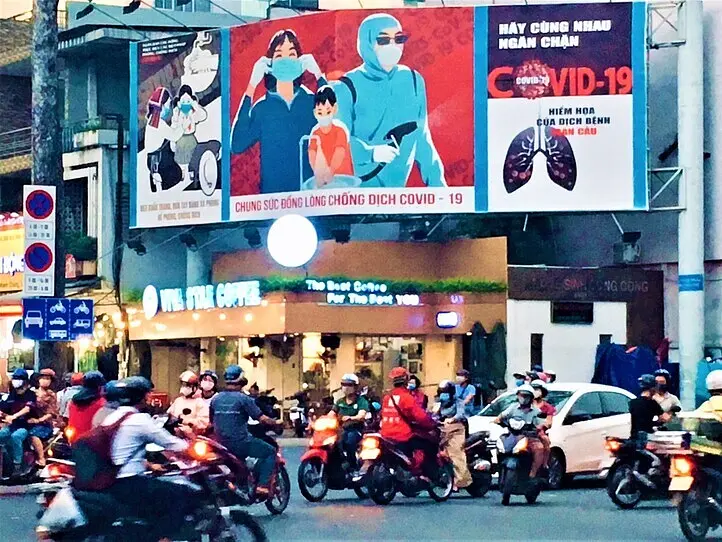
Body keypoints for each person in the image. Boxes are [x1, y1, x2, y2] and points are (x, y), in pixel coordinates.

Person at [334, 13, 446, 188]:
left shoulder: (413, 80)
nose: (392, 47)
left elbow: (422, 139)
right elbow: (336, 142)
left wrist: (439, 187)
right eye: (383, 40)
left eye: (398, 39)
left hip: (397, 196)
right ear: (367, 43)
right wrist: (371, 153)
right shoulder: (345, 87)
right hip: (357, 194)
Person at [231, 29, 326, 194]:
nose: (286, 60)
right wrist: (252, 85)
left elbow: (338, 122)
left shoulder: (312, 101)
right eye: (279, 55)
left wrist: (319, 75)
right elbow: (237, 144)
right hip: (273, 199)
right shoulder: (262, 108)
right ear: (270, 63)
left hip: (309, 196)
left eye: (292, 54)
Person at [100, 377, 194, 537]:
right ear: (141, 397)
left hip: (113, 479)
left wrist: (148, 464)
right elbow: (172, 443)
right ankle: (164, 538)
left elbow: (122, 450)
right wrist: (192, 446)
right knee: (180, 494)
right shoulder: (139, 420)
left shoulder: (113, 417)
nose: (150, 397)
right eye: (148, 394)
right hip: (129, 481)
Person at [210, 365, 281, 498]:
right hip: (240, 443)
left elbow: (211, 422)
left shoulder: (216, 399)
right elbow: (262, 419)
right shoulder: (244, 399)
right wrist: (276, 423)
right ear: (241, 380)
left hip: (219, 444)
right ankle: (262, 486)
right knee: (270, 451)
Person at [380, 367, 437, 481]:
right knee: (430, 445)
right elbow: (421, 417)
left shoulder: (387, 397)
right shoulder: (407, 398)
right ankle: (425, 475)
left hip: (385, 434)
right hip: (402, 435)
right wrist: (431, 425)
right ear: (406, 379)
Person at [493, 384, 546, 481]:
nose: (523, 398)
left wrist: (537, 427)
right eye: (521, 395)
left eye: (526, 396)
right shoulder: (513, 407)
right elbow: (502, 416)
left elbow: (540, 424)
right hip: (513, 435)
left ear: (531, 398)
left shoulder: (535, 411)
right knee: (499, 445)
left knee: (539, 448)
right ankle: (500, 468)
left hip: (529, 437)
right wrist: (497, 420)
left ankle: (533, 472)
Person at [308, 85, 354, 187]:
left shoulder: (340, 130)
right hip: (324, 183)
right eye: (320, 112)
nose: (324, 116)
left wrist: (331, 170)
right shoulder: (315, 134)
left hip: (344, 180)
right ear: (315, 113)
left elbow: (339, 152)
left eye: (328, 112)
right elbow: (312, 154)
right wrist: (318, 172)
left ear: (335, 109)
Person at [144, 87, 184, 193]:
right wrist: (182, 125)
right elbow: (174, 136)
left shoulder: (152, 121)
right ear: (162, 105)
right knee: (178, 175)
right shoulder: (159, 124)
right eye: (168, 104)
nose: (169, 107)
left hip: (152, 160)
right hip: (161, 161)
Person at [435, 380, 471, 491]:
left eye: (445, 392)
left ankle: (460, 480)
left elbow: (460, 414)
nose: (443, 394)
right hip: (442, 429)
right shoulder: (439, 402)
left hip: (456, 429)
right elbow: (433, 414)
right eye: (441, 392)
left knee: (455, 454)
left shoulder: (458, 401)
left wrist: (452, 419)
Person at [0, 369, 36, 476]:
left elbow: (27, 409)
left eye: (18, 378)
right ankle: (6, 464)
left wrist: (14, 416)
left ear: (25, 381)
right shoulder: (12, 395)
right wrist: (4, 415)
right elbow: (4, 408)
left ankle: (18, 466)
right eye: (14, 378)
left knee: (16, 437)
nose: (15, 381)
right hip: (12, 426)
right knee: (2, 435)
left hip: (26, 426)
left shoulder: (30, 394)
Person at [333, 373, 368, 473]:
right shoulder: (340, 402)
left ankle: (353, 466)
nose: (346, 387)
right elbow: (332, 413)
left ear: (355, 387)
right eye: (343, 384)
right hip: (341, 429)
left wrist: (351, 418)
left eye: (349, 385)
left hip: (356, 430)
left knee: (349, 441)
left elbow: (361, 415)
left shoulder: (361, 401)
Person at [28, 368, 60, 468]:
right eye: (43, 378)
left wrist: (39, 420)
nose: (44, 380)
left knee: (33, 435)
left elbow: (52, 413)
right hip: (29, 421)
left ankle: (41, 458)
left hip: (44, 424)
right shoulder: (32, 393)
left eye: (47, 379)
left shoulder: (51, 395)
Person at [68, 371, 107, 442]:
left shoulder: (73, 402)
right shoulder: (102, 403)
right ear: (99, 387)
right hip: (93, 443)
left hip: (74, 442)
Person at [629, 374, 669, 441]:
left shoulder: (632, 402)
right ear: (652, 388)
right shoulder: (652, 403)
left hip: (634, 438)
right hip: (647, 438)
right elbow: (665, 418)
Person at [530, 379, 555, 472]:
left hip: (538, 433)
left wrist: (541, 425)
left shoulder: (548, 407)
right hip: (523, 432)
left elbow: (549, 422)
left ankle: (544, 464)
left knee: (546, 441)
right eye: (533, 389)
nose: (535, 391)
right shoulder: (526, 404)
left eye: (537, 389)